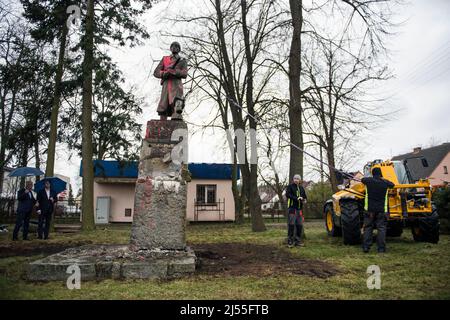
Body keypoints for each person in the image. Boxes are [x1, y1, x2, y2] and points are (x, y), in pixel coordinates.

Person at [361, 167, 395, 253]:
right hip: (382, 210)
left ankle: (366, 247)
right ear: (381, 174)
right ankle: (381, 249)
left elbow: (362, 179)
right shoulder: (385, 182)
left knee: (368, 228)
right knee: (381, 229)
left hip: (369, 210)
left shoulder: (368, 181)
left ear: (373, 173)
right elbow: (393, 185)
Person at [153, 41, 188, 121]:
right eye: (173, 46)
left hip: (176, 84)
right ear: (170, 48)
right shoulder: (165, 59)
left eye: (177, 46)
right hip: (166, 85)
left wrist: (174, 72)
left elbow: (184, 73)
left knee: (177, 102)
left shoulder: (182, 60)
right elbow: (156, 72)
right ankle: (162, 120)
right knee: (163, 104)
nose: (174, 47)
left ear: (179, 49)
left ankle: (176, 115)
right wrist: (163, 73)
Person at [285, 174, 307, 247]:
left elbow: (305, 197)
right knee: (291, 225)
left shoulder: (301, 188)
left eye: (297, 179)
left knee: (299, 225)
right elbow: (288, 195)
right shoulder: (290, 187)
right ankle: (290, 241)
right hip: (292, 208)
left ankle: (298, 241)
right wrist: (296, 198)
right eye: (295, 178)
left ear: (300, 180)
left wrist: (304, 200)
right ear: (293, 179)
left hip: (299, 209)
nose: (296, 180)